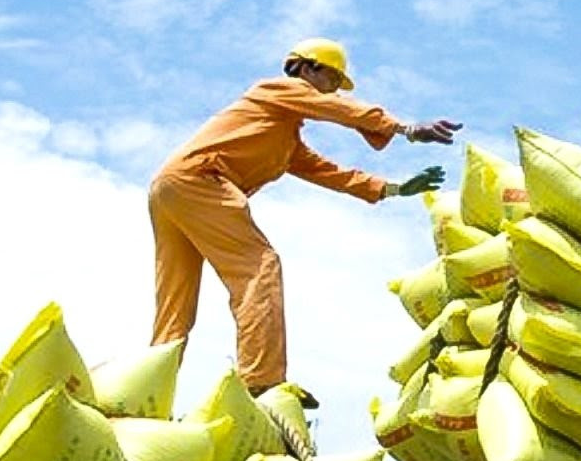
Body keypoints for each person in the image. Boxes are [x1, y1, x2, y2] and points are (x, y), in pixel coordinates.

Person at [149, 37, 460, 396]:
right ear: (308, 67)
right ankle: (262, 382)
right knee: (259, 267)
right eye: (332, 80)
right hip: (199, 181)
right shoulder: (275, 89)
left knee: (177, 302)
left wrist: (395, 188)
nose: (333, 91)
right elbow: (337, 110)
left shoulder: (284, 139)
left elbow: (332, 173)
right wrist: (404, 128)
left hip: (171, 188)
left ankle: (150, 388)